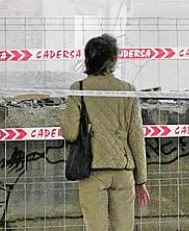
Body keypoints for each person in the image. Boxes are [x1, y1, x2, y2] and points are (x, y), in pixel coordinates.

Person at [62, 34, 150, 231]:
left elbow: (69, 133)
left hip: (92, 171)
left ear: (87, 58)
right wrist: (141, 180)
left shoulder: (79, 89)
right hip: (123, 171)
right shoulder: (128, 90)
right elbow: (136, 137)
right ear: (113, 60)